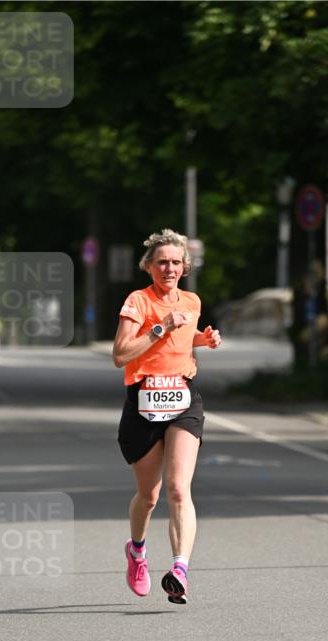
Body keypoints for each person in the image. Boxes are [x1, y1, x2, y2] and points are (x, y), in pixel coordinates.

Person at [112, 229, 221, 605]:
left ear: (185, 266)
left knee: (178, 488)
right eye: (162, 262)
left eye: (176, 262)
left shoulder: (192, 301)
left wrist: (203, 339)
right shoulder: (138, 301)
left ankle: (180, 570)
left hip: (183, 400)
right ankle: (137, 551)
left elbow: (181, 340)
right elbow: (121, 355)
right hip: (143, 403)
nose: (169, 269)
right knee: (150, 495)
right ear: (149, 267)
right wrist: (162, 326)